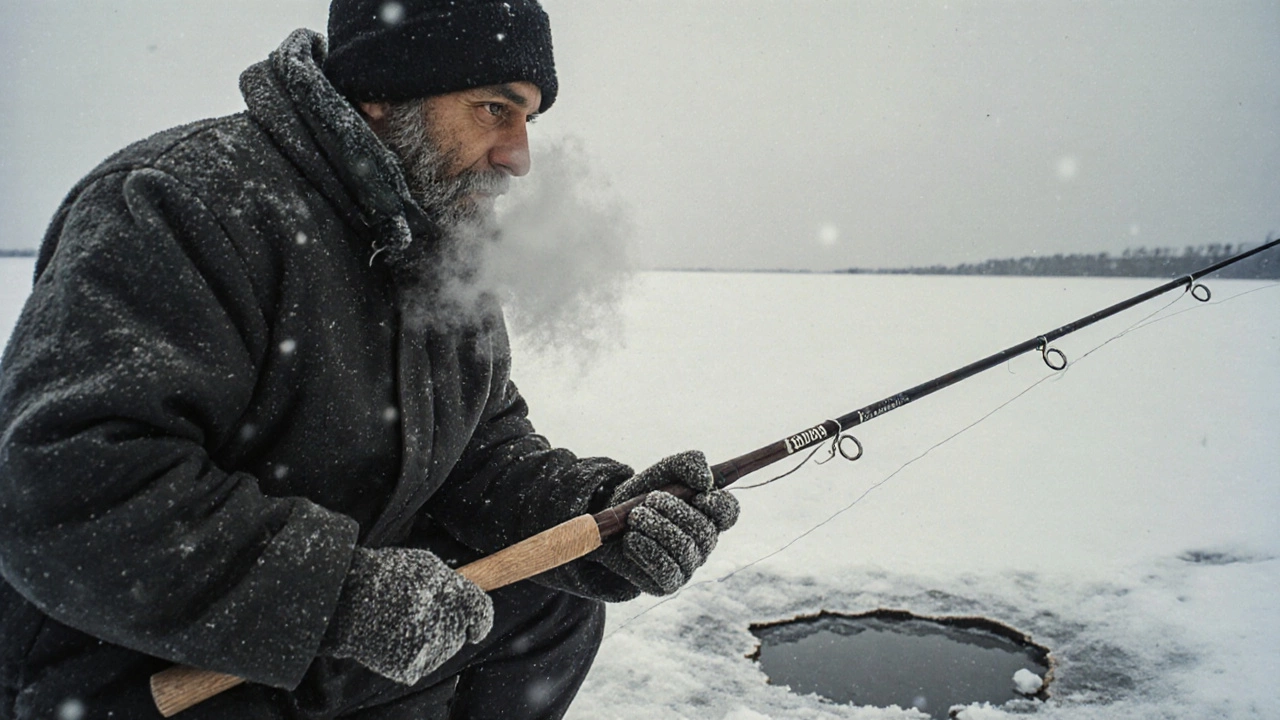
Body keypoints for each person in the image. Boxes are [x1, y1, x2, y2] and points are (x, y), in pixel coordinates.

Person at [0, 2, 739, 718]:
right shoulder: (180, 204)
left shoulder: (442, 232)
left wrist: (597, 515)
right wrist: (340, 596)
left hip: (315, 638)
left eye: (529, 120)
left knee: (547, 595)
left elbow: (481, 451)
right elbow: (59, 486)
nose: (519, 156)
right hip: (142, 667)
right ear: (384, 93)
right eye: (494, 109)